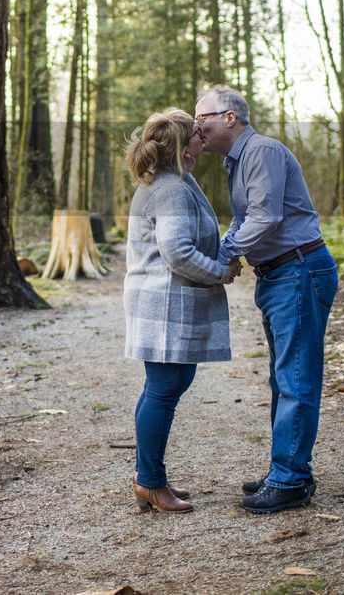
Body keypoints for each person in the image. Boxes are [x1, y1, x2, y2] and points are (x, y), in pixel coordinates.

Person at [193, 85, 337, 514]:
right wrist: (227, 250)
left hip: (298, 270)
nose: (197, 126)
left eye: (202, 118)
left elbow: (265, 218)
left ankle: (290, 480)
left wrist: (223, 254)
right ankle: (288, 468)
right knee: (284, 377)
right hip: (280, 274)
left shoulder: (262, 152)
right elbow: (245, 218)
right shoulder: (238, 162)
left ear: (230, 117)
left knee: (296, 377)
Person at [123, 108, 233, 514]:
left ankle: (148, 475)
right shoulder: (170, 188)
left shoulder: (174, 182)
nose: (203, 140)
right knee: (164, 388)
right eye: (197, 135)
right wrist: (221, 271)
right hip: (164, 302)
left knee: (163, 387)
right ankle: (149, 481)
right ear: (182, 146)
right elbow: (178, 253)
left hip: (162, 302)